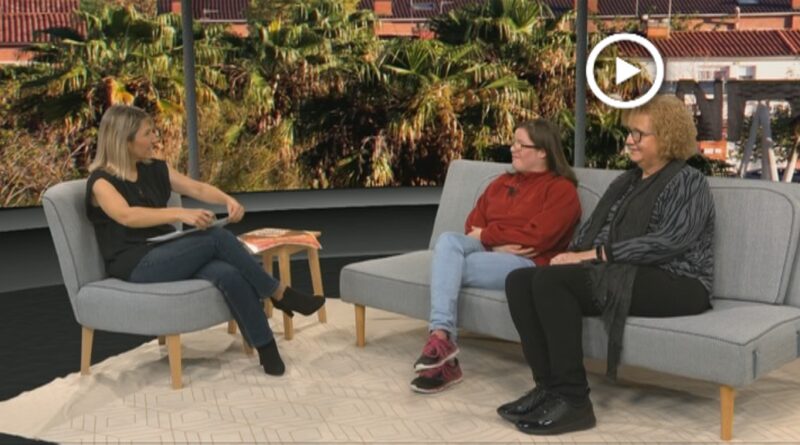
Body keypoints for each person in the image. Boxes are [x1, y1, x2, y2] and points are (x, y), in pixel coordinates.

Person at [498, 95, 715, 435]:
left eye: (639, 134)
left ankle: (574, 401)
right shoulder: (625, 182)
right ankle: (548, 387)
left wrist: (592, 256)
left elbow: (668, 242)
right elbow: (592, 231)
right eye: (630, 132)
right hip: (623, 271)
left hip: (679, 281)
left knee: (552, 283)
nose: (630, 140)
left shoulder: (690, 182)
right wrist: (568, 255)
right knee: (520, 280)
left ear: (667, 137)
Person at [85, 105, 325, 377]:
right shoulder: (101, 182)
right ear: (125, 140)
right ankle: (279, 293)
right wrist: (179, 213)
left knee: (228, 273)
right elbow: (126, 216)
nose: (155, 138)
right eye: (147, 133)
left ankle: (267, 349)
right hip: (136, 263)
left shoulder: (154, 168)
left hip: (166, 249)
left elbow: (196, 188)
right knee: (215, 238)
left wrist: (227, 200)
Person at [410, 119, 582, 394]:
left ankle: (444, 355)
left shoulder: (562, 190)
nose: (513, 148)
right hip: (492, 252)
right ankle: (441, 337)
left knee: (447, 265)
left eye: (521, 144)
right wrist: (498, 242)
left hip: (527, 264)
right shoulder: (501, 183)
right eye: (513, 142)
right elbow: (471, 226)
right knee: (447, 241)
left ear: (543, 151)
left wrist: (488, 236)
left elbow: (537, 238)